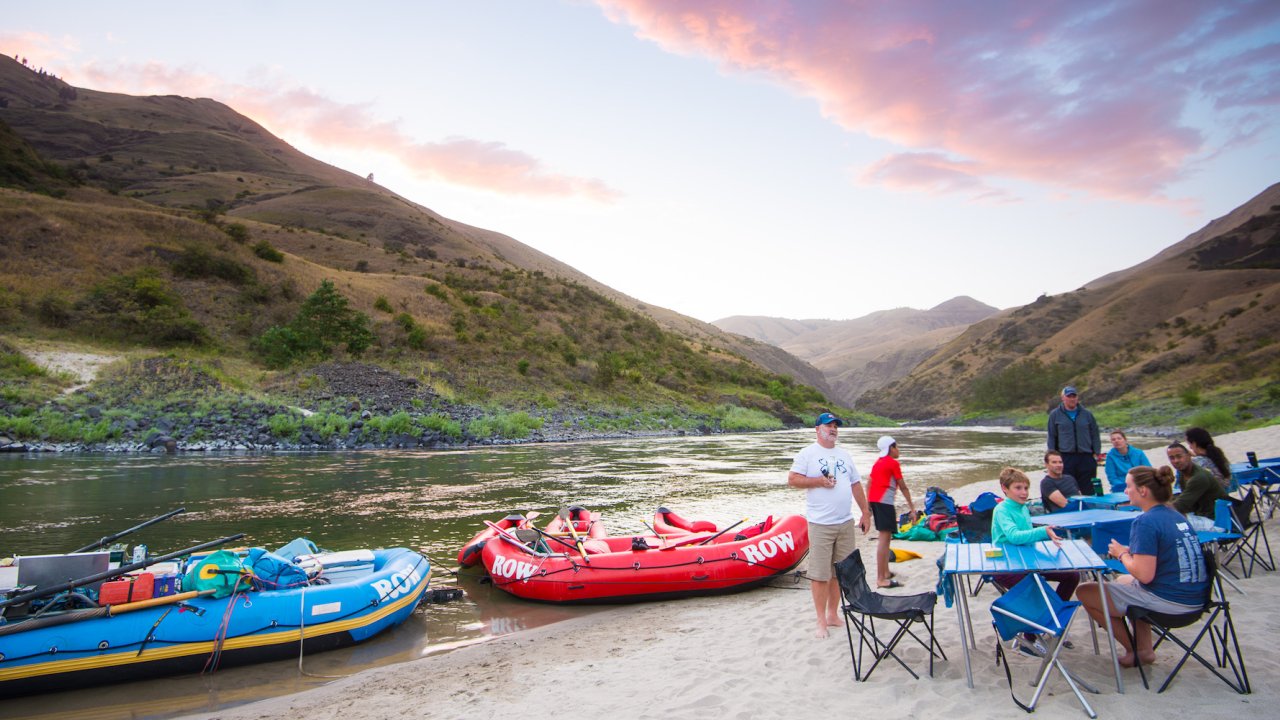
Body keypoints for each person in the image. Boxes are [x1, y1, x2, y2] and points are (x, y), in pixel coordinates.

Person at [1076, 466, 1209, 668]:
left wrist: (1122, 554)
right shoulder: (1176, 516)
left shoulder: (1146, 521)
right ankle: (1144, 649)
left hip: (1172, 604)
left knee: (1085, 591)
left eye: (1129, 486)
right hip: (1196, 599)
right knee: (1123, 581)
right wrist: (1133, 553)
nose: (1126, 491)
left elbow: (1144, 575)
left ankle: (1134, 650)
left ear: (1143, 490)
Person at [787, 412, 872, 639]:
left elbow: (855, 484)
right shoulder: (808, 454)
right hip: (820, 523)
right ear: (817, 429)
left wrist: (865, 512)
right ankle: (821, 620)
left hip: (845, 522)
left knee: (840, 572)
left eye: (835, 426)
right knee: (820, 574)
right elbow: (793, 479)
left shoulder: (844, 455)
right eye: (828, 425)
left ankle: (833, 614)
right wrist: (818, 481)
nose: (833, 429)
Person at [990, 467, 1079, 602]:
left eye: (1026, 488)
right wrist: (1043, 531)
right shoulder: (1002, 510)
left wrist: (1047, 534)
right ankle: (1049, 613)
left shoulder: (1023, 507)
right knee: (1040, 591)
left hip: (1027, 560)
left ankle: (1055, 611)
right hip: (1007, 565)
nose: (1024, 493)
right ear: (1004, 488)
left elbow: (1028, 535)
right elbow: (1014, 536)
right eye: (1018, 488)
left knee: (1072, 576)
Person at [867, 435, 915, 589]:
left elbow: (868, 483)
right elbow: (903, 486)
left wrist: (868, 506)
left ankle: (886, 572)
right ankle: (881, 578)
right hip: (884, 503)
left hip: (876, 502)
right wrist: (912, 508)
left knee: (886, 538)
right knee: (884, 538)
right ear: (891, 448)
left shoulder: (877, 463)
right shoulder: (893, 463)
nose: (898, 450)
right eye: (896, 447)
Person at [1047, 385, 1101, 495]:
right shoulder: (1055, 415)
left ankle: (1088, 510)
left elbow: (1095, 434)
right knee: (1068, 489)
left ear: (1077, 398)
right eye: (1069, 396)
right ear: (1063, 398)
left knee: (1088, 490)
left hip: (1086, 456)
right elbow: (1052, 436)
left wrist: (1097, 452)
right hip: (1066, 457)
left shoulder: (1087, 414)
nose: (1072, 399)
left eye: (1074, 396)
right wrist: (1052, 457)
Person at [1168, 442, 1228, 531]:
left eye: (1179, 456)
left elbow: (1180, 506)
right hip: (1201, 514)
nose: (1176, 461)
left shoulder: (1198, 477)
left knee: (1169, 521)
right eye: (1172, 458)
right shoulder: (1183, 473)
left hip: (1217, 522)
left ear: (1189, 455)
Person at [1185, 427, 1232, 491]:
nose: (1190, 447)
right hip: (1224, 494)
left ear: (1194, 443)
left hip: (1210, 497)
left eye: (1189, 444)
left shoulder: (1196, 461)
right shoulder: (1218, 454)